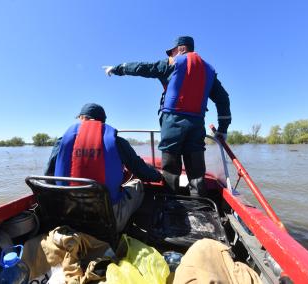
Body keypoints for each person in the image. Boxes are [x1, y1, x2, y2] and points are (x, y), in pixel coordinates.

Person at [103, 36, 231, 196]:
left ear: (182, 49)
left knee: (170, 169)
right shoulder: (209, 71)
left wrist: (117, 69)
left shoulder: (172, 63)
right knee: (197, 173)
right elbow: (223, 99)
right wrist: (223, 129)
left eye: (172, 52)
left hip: (173, 123)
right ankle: (199, 203)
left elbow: (142, 68)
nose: (171, 55)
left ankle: (172, 203)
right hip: (197, 124)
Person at [45, 103, 162, 232]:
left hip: (67, 217)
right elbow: (143, 172)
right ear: (103, 121)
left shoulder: (61, 142)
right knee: (138, 184)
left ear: (83, 118)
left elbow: (48, 177)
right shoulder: (117, 142)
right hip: (108, 223)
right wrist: (159, 175)